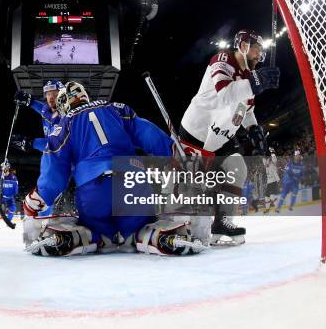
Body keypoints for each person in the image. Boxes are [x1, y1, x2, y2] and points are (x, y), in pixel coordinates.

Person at [22, 81, 206, 257]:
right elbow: (147, 134)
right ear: (84, 96)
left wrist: (39, 197)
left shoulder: (63, 125)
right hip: (132, 178)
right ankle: (155, 236)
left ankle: (78, 237)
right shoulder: (116, 108)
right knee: (138, 228)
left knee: (96, 231)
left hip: (93, 185)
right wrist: (173, 151)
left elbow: (55, 166)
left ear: (63, 105)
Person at [179, 29, 280, 245]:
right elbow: (225, 94)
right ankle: (190, 230)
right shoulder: (223, 59)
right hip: (197, 132)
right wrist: (256, 83)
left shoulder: (249, 77)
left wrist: (254, 129)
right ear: (243, 45)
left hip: (221, 136)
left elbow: (247, 109)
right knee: (198, 185)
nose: (259, 55)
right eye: (256, 49)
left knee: (238, 168)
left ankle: (222, 221)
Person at [12, 80, 64, 216]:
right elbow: (39, 106)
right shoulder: (47, 109)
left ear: (62, 95)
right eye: (48, 93)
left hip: (65, 158)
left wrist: (29, 142)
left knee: (47, 192)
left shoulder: (65, 117)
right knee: (45, 193)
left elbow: (55, 145)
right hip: (53, 158)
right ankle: (44, 220)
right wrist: (27, 100)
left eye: (55, 93)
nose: (51, 97)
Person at [263, 146, 281, 213]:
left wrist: (272, 151)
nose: (265, 164)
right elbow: (263, 159)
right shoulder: (266, 166)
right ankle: (267, 210)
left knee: (272, 197)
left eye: (266, 162)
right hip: (269, 183)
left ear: (269, 160)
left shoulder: (273, 164)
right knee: (266, 197)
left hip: (274, 182)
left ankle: (277, 208)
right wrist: (264, 152)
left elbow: (274, 158)